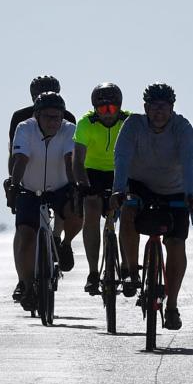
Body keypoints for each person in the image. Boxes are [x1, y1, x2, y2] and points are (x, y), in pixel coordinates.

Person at [110, 83, 193, 331]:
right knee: (128, 211)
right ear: (145, 108)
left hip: (175, 189)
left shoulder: (182, 128)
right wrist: (118, 189)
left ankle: (171, 306)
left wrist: (192, 195)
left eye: (164, 107)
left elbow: (189, 161)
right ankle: (130, 271)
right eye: (154, 107)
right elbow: (122, 157)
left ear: (171, 108)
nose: (158, 112)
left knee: (175, 243)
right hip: (139, 185)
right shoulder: (134, 126)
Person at [4, 75, 77, 298]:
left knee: (73, 207)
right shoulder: (21, 120)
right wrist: (14, 183)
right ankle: (23, 282)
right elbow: (17, 156)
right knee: (25, 233)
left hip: (59, 182)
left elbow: (70, 159)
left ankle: (61, 240)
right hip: (28, 177)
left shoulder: (69, 120)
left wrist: (75, 186)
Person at [72, 82, 130, 295]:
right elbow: (77, 161)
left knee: (128, 212)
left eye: (112, 109)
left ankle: (127, 266)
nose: (107, 114)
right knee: (92, 210)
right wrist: (82, 185)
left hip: (120, 171)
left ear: (119, 108)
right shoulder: (86, 123)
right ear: (95, 109)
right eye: (102, 109)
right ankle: (93, 272)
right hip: (93, 172)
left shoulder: (128, 121)